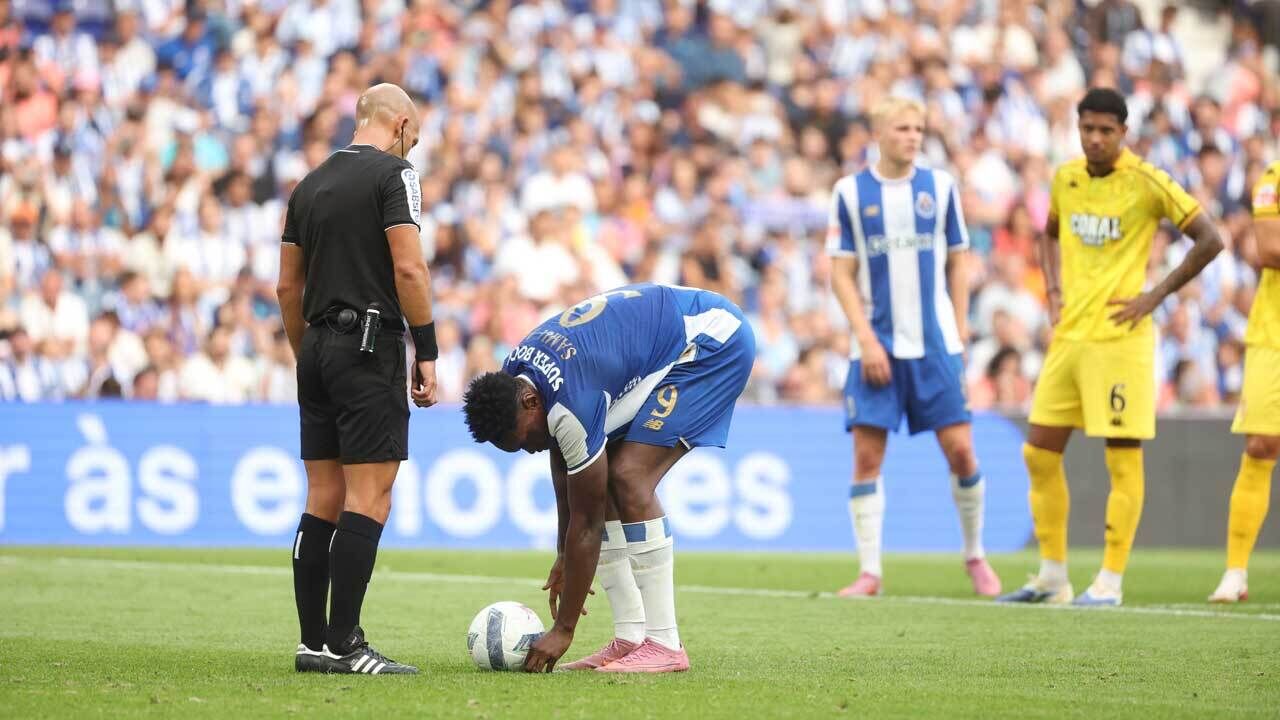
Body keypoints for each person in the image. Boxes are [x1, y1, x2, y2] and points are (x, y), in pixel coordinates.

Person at [998, 88, 1223, 607]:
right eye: (1087, 129)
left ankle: (1110, 581)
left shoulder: (1146, 182)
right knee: (1038, 452)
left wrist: (1155, 296)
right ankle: (1053, 577)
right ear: (1077, 129)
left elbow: (1211, 237)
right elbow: (1048, 235)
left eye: (1106, 130)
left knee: (1121, 460)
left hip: (1120, 340)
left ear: (1124, 132)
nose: (1095, 138)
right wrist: (1053, 291)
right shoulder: (1066, 178)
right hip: (1070, 336)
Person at [462, 283, 755, 674]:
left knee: (628, 475)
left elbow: (587, 522)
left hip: (713, 340)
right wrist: (564, 553)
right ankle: (631, 637)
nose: (530, 448)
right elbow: (565, 462)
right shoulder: (518, 376)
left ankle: (665, 643)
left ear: (530, 404)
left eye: (524, 440)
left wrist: (563, 630)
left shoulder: (569, 402)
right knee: (606, 478)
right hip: (667, 337)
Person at [278, 83, 439, 674]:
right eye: (413, 141)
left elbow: (286, 287)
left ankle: (312, 641)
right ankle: (345, 643)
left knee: (322, 495)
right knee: (369, 495)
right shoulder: (395, 178)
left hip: (316, 344)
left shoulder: (307, 184)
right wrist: (427, 350)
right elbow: (409, 266)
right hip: (369, 344)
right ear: (398, 125)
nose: (411, 153)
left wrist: (308, 352)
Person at [826, 97, 1001, 598]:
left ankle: (975, 555)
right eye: (903, 127)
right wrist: (865, 338)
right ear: (879, 131)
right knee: (866, 457)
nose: (913, 137)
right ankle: (870, 571)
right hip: (875, 346)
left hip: (935, 344)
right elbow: (841, 271)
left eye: (919, 129)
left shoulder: (940, 187)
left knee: (962, 451)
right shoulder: (850, 192)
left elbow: (959, 259)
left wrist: (962, 328)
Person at [1208, 161, 1280, 603]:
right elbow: (1269, 249)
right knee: (1260, 445)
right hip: (1273, 336)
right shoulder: (1273, 178)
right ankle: (1235, 571)